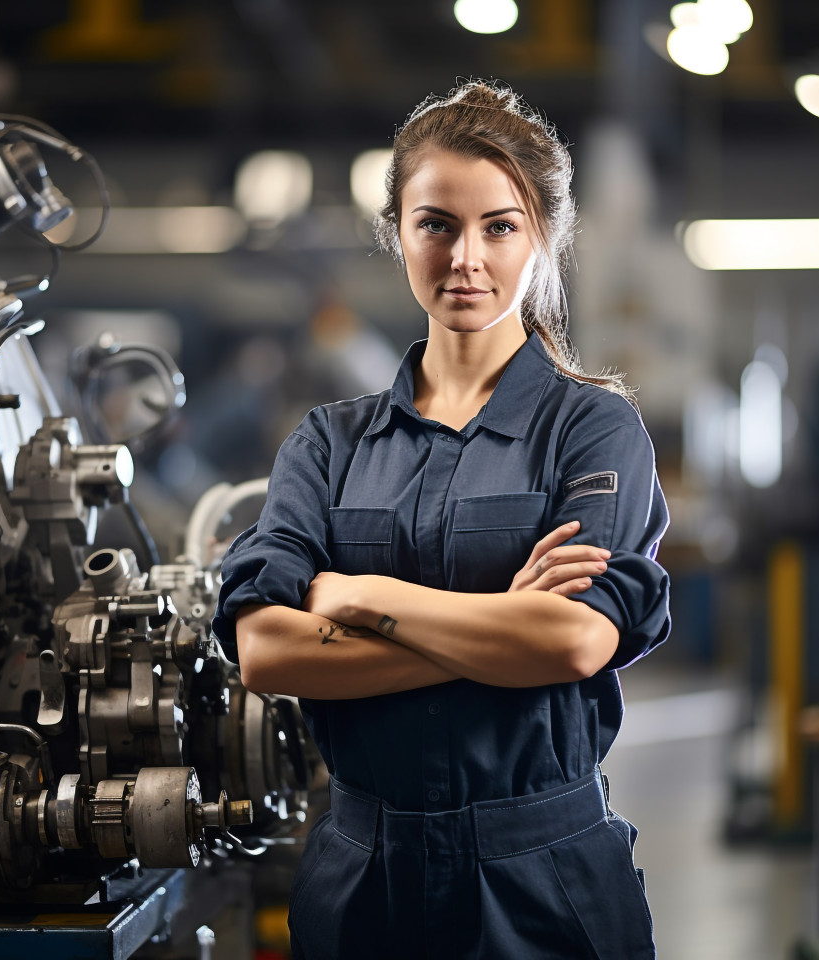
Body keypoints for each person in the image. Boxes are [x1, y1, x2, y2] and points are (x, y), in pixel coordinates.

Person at [213, 80, 671, 960]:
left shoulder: (592, 428)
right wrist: (502, 629)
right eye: (437, 224)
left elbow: (573, 644)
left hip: (541, 878)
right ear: (398, 233)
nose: (467, 257)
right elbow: (268, 650)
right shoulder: (329, 442)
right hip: (362, 880)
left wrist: (355, 593)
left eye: (500, 226)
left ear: (543, 237)